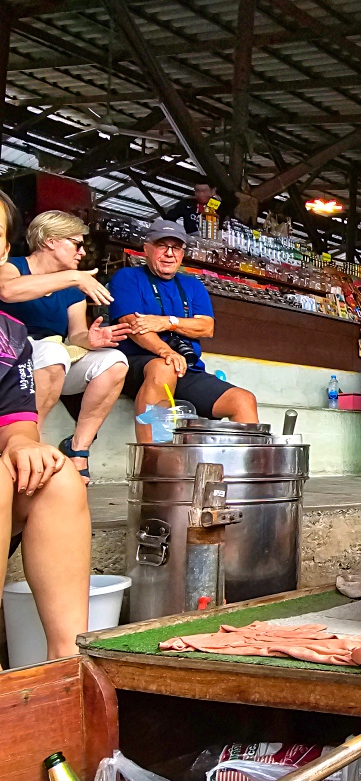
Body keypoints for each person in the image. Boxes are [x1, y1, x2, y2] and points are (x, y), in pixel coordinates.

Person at [0, 191, 91, 662]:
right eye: (75, 244)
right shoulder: (19, 279)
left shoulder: (8, 336)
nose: (81, 252)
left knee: (58, 478)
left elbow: (15, 422)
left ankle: (67, 665)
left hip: (56, 353)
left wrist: (22, 444)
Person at [0, 210, 131, 480]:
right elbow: (7, 291)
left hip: (52, 361)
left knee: (115, 361)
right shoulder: (12, 267)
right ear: (50, 240)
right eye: (77, 243)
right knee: (52, 351)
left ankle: (78, 450)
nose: (82, 252)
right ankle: (27, 444)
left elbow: (77, 334)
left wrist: (93, 340)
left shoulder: (73, 288)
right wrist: (75, 278)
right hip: (11, 360)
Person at [108, 220, 258, 443]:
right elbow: (133, 325)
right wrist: (166, 351)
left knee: (243, 400)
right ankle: (154, 462)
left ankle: (244, 471)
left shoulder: (192, 285)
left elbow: (206, 327)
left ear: (182, 253)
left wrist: (167, 322)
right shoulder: (127, 277)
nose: (169, 254)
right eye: (162, 246)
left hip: (186, 368)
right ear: (146, 248)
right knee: (164, 367)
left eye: (176, 248)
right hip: (137, 363)